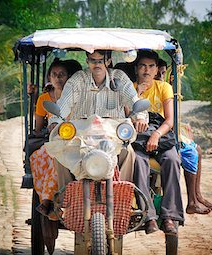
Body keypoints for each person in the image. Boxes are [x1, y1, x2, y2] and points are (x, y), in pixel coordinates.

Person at [48, 50, 148, 204]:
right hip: (82, 135)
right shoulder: (77, 80)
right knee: (60, 154)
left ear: (108, 61)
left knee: (128, 152)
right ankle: (65, 201)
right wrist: (55, 119)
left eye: (100, 61)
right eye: (93, 61)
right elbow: (63, 105)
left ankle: (122, 198)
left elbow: (133, 101)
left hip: (112, 135)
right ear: (87, 61)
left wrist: (140, 117)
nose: (96, 65)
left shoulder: (119, 78)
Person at [155, 59, 212, 214]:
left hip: (165, 131)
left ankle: (196, 195)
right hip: (156, 133)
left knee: (197, 149)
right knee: (191, 151)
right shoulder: (143, 89)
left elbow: (171, 118)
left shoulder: (164, 89)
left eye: (163, 73)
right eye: (159, 73)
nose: (160, 76)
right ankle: (192, 200)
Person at [132, 50, 185, 235]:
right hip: (137, 137)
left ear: (156, 69)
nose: (147, 70)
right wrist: (136, 94)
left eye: (151, 66)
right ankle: (149, 217)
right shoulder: (129, 88)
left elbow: (170, 120)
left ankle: (170, 216)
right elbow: (124, 118)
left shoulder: (163, 87)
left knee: (173, 160)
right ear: (137, 69)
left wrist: (156, 135)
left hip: (161, 134)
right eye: (142, 66)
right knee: (137, 161)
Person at [30, 59, 81, 219]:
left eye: (62, 75)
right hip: (53, 141)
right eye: (54, 75)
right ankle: (48, 200)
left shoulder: (78, 96)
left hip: (77, 139)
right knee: (50, 156)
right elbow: (38, 128)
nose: (58, 78)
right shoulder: (44, 99)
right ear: (49, 78)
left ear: (68, 77)